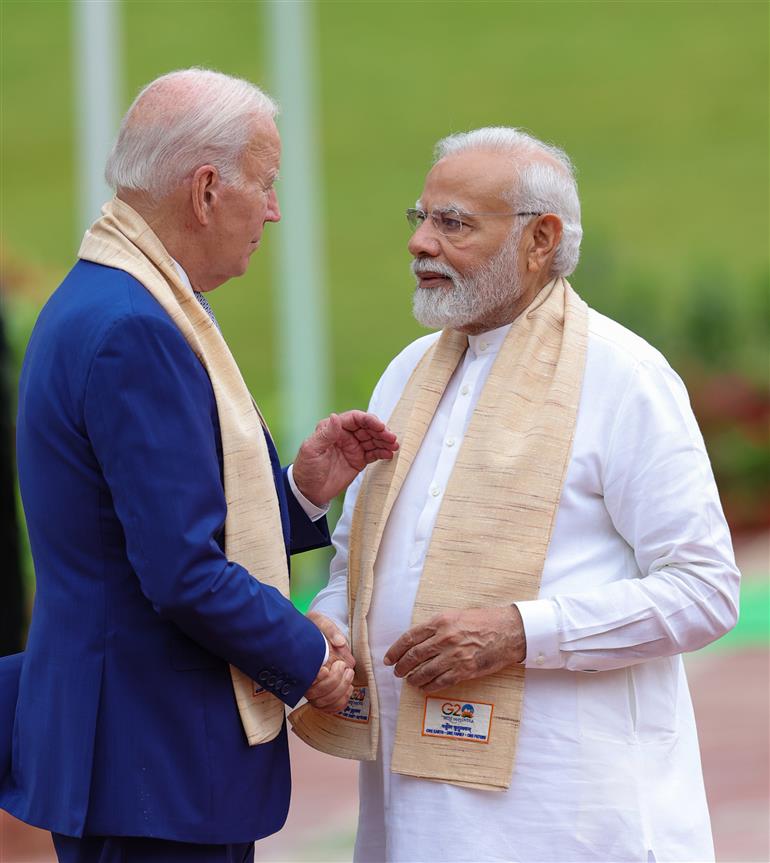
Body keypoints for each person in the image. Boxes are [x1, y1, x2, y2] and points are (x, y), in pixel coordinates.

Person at [291, 127, 740, 863]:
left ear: (541, 238)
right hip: (414, 806)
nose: (421, 244)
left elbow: (706, 589)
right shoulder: (409, 374)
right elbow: (359, 571)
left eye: (453, 223)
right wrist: (331, 628)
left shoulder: (623, 375)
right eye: (421, 219)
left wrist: (522, 631)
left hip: (569, 813)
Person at [0, 68, 398, 863]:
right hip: (150, 760)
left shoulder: (111, 295)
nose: (276, 209)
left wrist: (301, 493)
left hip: (128, 751)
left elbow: (156, 522)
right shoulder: (135, 327)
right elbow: (181, 569)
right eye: (268, 183)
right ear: (208, 189)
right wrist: (309, 657)